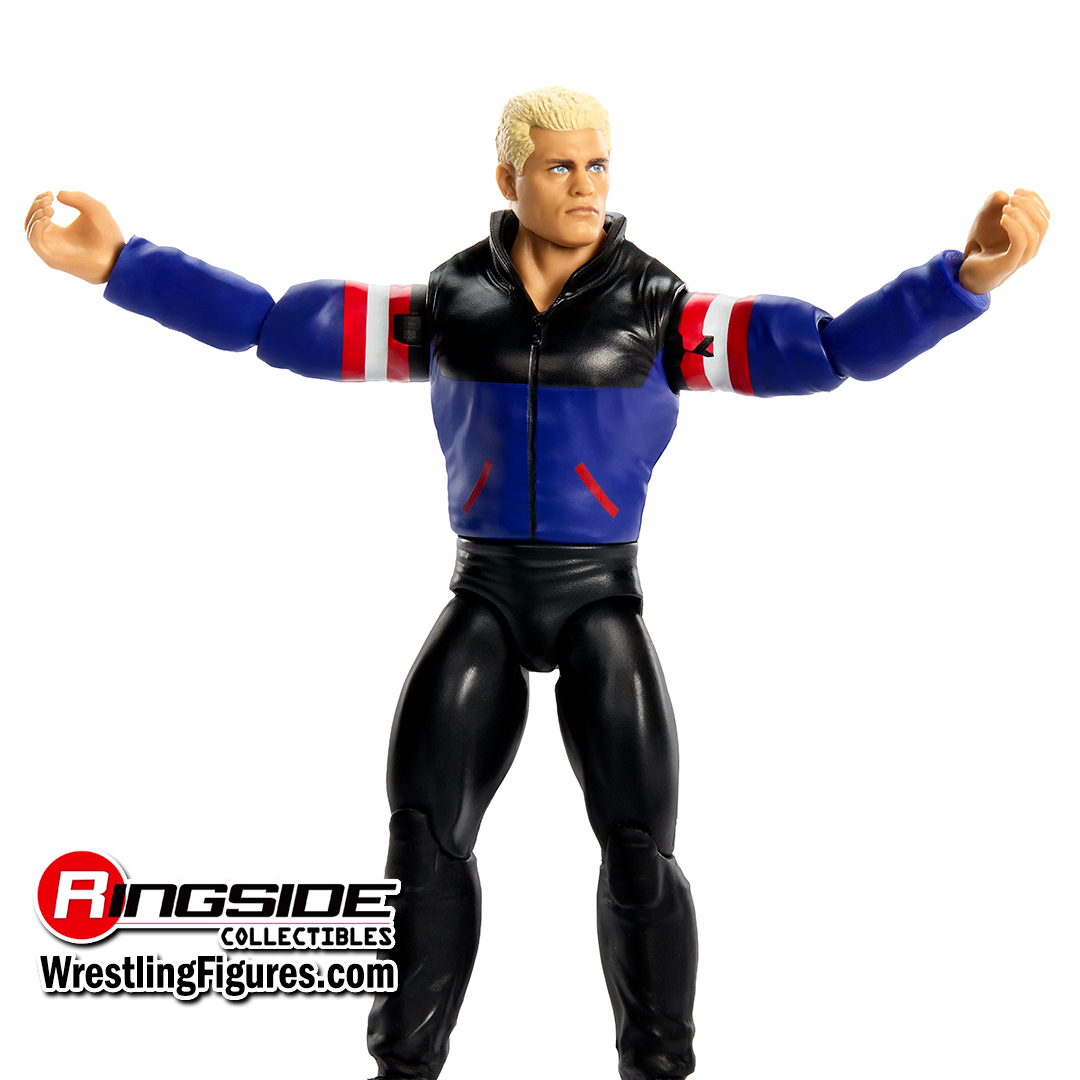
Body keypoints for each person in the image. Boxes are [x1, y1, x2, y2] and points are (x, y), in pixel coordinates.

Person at [25, 86, 1049, 1080]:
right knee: (422, 840)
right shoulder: (446, 306)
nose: (587, 185)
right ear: (508, 178)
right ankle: (403, 1063)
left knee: (640, 851)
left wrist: (962, 279)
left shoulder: (663, 313)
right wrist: (119, 263)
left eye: (599, 164)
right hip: (484, 594)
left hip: (601, 598)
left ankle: (658, 1063)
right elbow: (272, 325)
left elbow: (828, 350)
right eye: (561, 167)